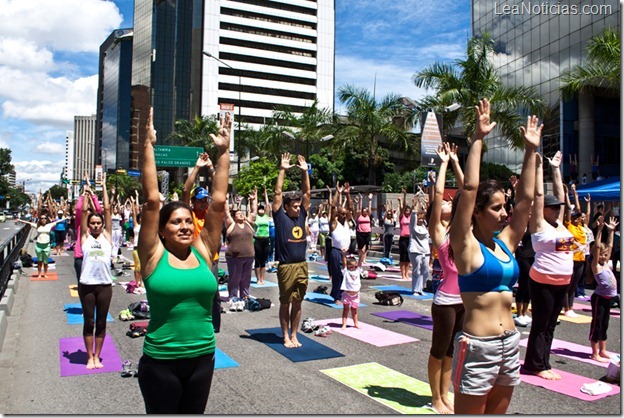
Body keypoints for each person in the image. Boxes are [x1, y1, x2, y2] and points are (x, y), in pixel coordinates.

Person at [136, 108, 230, 414]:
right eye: (176, 222)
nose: (185, 226)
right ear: (161, 230)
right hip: (161, 362)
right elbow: (152, 199)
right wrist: (147, 144)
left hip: (203, 359)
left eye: (188, 221)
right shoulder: (153, 255)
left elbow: (218, 202)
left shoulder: (204, 251)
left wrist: (224, 152)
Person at [450, 99, 539, 414]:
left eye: (505, 206)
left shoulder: (505, 244)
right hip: (478, 348)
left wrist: (531, 152)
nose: (505, 213)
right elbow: (470, 188)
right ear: (477, 212)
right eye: (497, 207)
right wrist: (477, 139)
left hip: (510, 343)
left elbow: (526, 200)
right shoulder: (465, 245)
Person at [522, 150, 574, 380]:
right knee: (541, 324)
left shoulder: (559, 225)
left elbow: (559, 193)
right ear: (543, 209)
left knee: (551, 325)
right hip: (543, 280)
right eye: (553, 207)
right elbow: (540, 194)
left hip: (563, 281)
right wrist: (538, 167)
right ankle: (535, 364)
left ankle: (544, 361)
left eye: (558, 208)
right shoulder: (539, 224)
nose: (557, 209)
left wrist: (554, 168)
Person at [426, 142, 465, 414]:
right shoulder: (439, 232)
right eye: (446, 204)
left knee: (452, 351)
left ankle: (445, 392)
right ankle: (435, 397)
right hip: (445, 302)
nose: (450, 202)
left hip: (465, 300)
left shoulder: (463, 229)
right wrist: (442, 164)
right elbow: (440, 193)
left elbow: (467, 191)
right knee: (439, 350)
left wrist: (456, 162)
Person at [272, 152, 311, 348]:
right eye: (294, 206)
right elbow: (278, 194)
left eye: (298, 206)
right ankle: (285, 336)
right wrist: (282, 170)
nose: (298, 208)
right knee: (286, 303)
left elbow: (307, 194)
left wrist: (305, 172)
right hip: (286, 267)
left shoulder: (301, 215)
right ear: (286, 207)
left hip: (302, 265)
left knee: (298, 303)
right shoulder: (280, 217)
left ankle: (295, 335)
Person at [79, 172, 112, 370]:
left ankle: (97, 356)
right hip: (87, 285)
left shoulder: (107, 236)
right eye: (93, 223)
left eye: (98, 223)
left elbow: (106, 209)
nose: (96, 225)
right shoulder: (85, 238)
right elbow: (84, 213)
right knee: (88, 321)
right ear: (89, 226)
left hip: (105, 286)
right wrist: (86, 191)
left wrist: (104, 186)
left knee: (101, 322)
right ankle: (88, 357)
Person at [589, 216, 618, 362]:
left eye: (606, 255)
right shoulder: (597, 266)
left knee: (605, 324)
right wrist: (599, 230)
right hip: (599, 299)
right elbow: (598, 246)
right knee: (597, 325)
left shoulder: (606, 263)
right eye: (602, 255)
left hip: (608, 299)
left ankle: (603, 350)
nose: (604, 257)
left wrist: (611, 231)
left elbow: (610, 246)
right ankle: (594, 353)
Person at [224, 189, 256, 305]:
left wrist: (253, 200)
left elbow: (253, 212)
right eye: (238, 214)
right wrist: (226, 200)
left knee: (246, 278)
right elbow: (226, 213)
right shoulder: (231, 224)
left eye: (242, 213)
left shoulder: (248, 223)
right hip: (234, 257)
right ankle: (233, 296)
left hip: (249, 256)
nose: (241, 214)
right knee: (235, 278)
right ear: (234, 216)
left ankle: (245, 295)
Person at [562, 183, 588, 317]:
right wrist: (567, 194)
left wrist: (575, 194)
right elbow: (568, 209)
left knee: (574, 286)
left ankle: (570, 307)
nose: (579, 217)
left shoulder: (581, 227)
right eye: (577, 216)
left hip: (581, 259)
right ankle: (566, 308)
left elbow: (579, 209)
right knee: (567, 285)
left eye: (580, 216)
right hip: (570, 259)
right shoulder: (569, 225)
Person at [328, 182, 353, 304]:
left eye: (345, 214)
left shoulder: (347, 223)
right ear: (338, 214)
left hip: (345, 252)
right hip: (336, 251)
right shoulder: (334, 223)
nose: (344, 215)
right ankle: (336, 296)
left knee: (345, 274)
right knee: (337, 274)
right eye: (342, 213)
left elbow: (350, 208)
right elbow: (333, 206)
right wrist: (337, 192)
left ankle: (341, 294)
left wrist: (348, 194)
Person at [409, 194, 430, 295]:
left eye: (422, 218)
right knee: (416, 271)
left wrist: (426, 204)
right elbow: (414, 214)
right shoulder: (413, 227)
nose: (420, 220)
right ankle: (415, 289)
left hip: (425, 251)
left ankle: (421, 288)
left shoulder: (425, 226)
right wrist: (415, 201)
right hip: (415, 250)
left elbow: (429, 215)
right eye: (419, 218)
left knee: (425, 271)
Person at [253, 188, 271, 285]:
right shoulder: (256, 217)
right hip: (257, 240)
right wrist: (255, 194)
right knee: (257, 259)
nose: (261, 210)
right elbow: (255, 205)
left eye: (262, 209)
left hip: (266, 239)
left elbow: (268, 205)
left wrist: (265, 193)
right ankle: (257, 279)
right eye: (259, 209)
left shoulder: (266, 216)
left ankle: (262, 279)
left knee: (264, 260)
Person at [340, 248, 362, 329]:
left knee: (354, 310)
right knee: (346, 309)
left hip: (355, 295)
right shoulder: (346, 271)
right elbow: (344, 263)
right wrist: (344, 254)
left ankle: (356, 323)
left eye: (354, 266)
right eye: (351, 267)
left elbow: (360, 262)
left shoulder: (358, 271)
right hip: (347, 294)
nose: (353, 268)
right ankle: (344, 324)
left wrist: (362, 254)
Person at [397, 188, 412, 280]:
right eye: (406, 210)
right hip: (403, 238)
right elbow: (403, 207)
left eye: (408, 210)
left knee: (408, 257)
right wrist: (404, 196)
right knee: (403, 257)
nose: (407, 211)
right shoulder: (401, 217)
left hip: (409, 238)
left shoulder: (411, 217)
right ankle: (402, 274)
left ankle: (407, 274)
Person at [355, 193, 373, 266]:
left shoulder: (368, 216)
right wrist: (361, 199)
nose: (365, 212)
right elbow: (359, 208)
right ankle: (360, 258)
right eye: (364, 211)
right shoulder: (359, 216)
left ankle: (364, 259)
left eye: (366, 211)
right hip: (360, 232)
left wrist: (370, 200)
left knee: (366, 246)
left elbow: (370, 207)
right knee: (360, 247)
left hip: (367, 232)